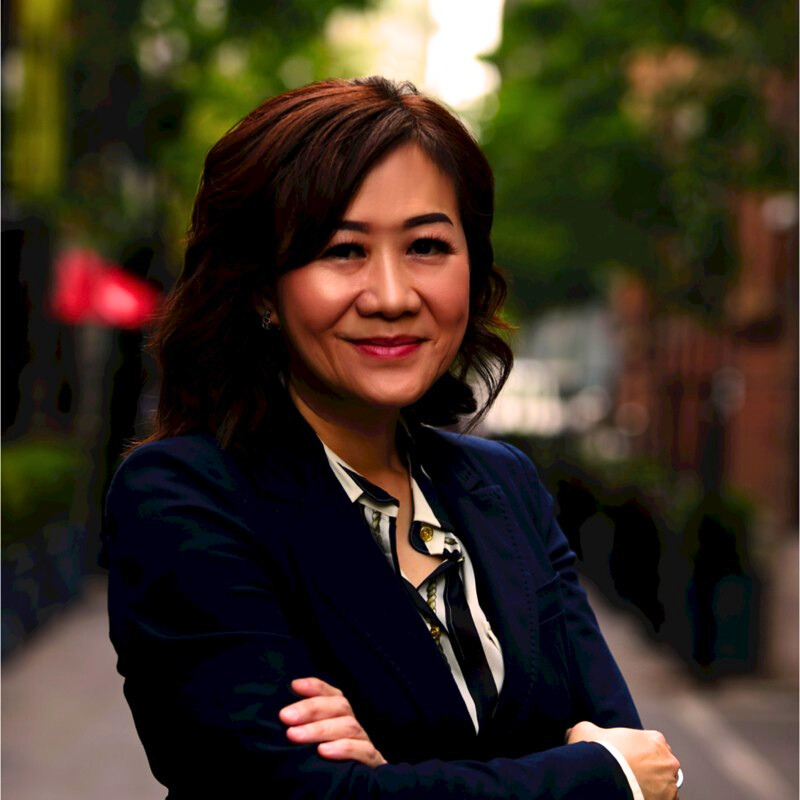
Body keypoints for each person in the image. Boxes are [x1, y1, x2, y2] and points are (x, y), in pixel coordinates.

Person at [101, 76, 682, 799]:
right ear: (260, 290)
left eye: (428, 246)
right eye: (343, 250)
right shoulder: (185, 497)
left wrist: (398, 780)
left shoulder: (504, 485)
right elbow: (629, 768)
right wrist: (598, 774)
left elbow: (637, 752)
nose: (392, 296)